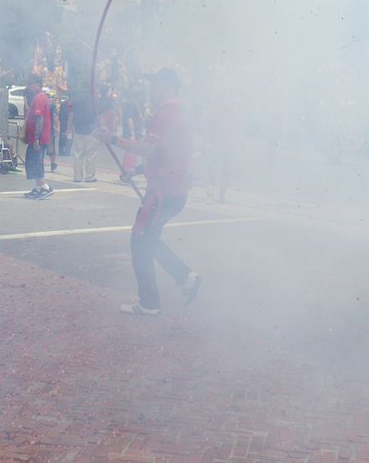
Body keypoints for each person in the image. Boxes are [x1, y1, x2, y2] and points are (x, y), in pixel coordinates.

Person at [94, 67, 202, 316]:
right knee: (147, 240)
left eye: (153, 85)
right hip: (172, 190)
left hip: (165, 192)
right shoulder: (176, 113)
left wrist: (113, 138)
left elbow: (149, 149)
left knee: (140, 241)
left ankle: (150, 301)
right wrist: (140, 170)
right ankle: (185, 278)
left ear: (165, 86)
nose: (149, 90)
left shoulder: (164, 114)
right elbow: (165, 155)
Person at [205, 92, 243, 203]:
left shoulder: (236, 111)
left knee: (226, 172)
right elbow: (207, 127)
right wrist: (205, 142)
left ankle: (222, 196)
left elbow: (239, 128)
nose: (229, 100)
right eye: (227, 97)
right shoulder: (215, 110)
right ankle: (209, 195)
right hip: (216, 146)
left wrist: (241, 142)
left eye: (230, 97)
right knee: (212, 171)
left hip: (230, 147)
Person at [23, 74, 53, 199]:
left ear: (38, 85)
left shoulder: (39, 99)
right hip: (37, 137)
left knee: (35, 162)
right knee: (35, 161)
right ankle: (38, 188)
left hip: (38, 139)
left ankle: (45, 187)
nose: (29, 86)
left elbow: (39, 119)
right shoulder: (38, 97)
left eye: (31, 84)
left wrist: (36, 138)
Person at [68, 86, 100, 182]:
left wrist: (68, 128)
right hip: (92, 130)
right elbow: (100, 115)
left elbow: (71, 114)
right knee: (91, 154)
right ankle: (90, 177)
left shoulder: (76, 99)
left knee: (78, 154)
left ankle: (77, 177)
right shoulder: (96, 100)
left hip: (78, 130)